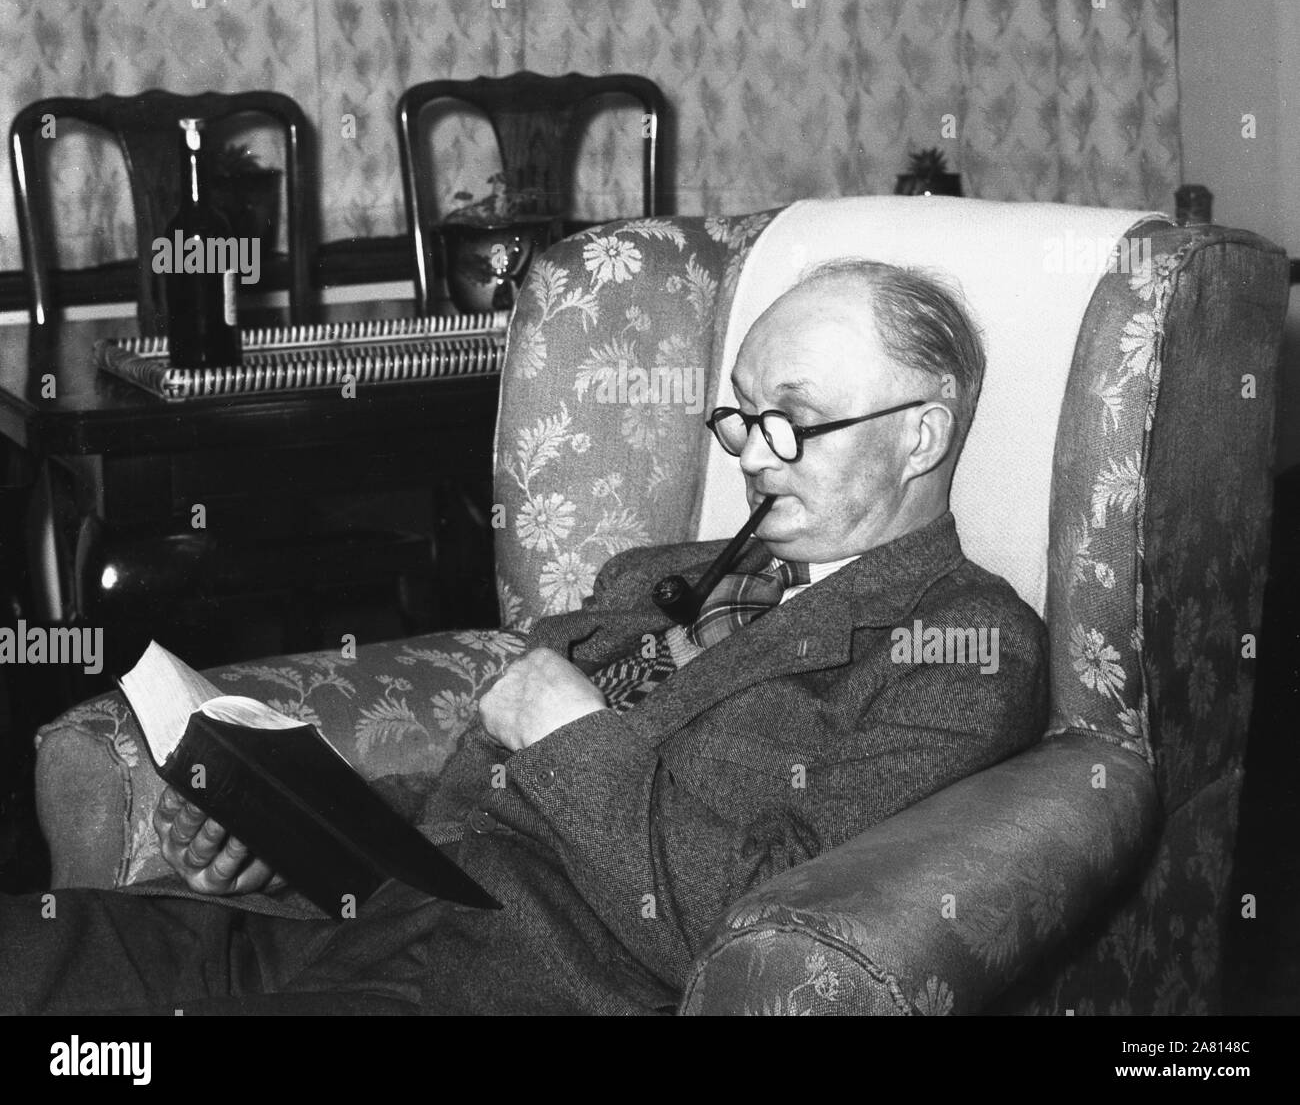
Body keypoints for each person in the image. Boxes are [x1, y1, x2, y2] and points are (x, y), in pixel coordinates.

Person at [0, 259, 1047, 1015]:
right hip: (338, 941)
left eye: (794, 420)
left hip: (519, 988)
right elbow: (467, 812)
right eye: (738, 415)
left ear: (924, 431)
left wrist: (570, 735)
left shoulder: (957, 645)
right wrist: (280, 840)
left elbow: (755, 930)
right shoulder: (657, 579)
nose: (753, 457)